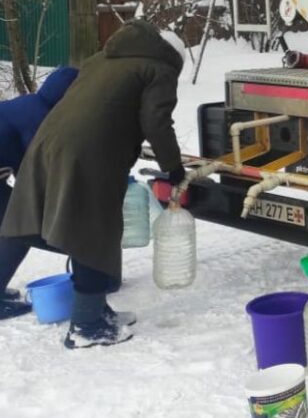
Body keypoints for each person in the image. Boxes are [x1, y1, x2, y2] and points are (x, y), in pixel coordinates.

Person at [0, 20, 188, 348]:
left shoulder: (102, 59)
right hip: (90, 155)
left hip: (49, 144)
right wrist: (173, 167)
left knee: (88, 229)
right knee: (93, 232)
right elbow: (157, 121)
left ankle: (98, 311)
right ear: (175, 58)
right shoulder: (159, 67)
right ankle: (86, 326)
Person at [0, 66, 79, 318]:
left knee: (10, 225)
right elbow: (40, 169)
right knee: (18, 230)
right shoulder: (41, 117)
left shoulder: (32, 104)